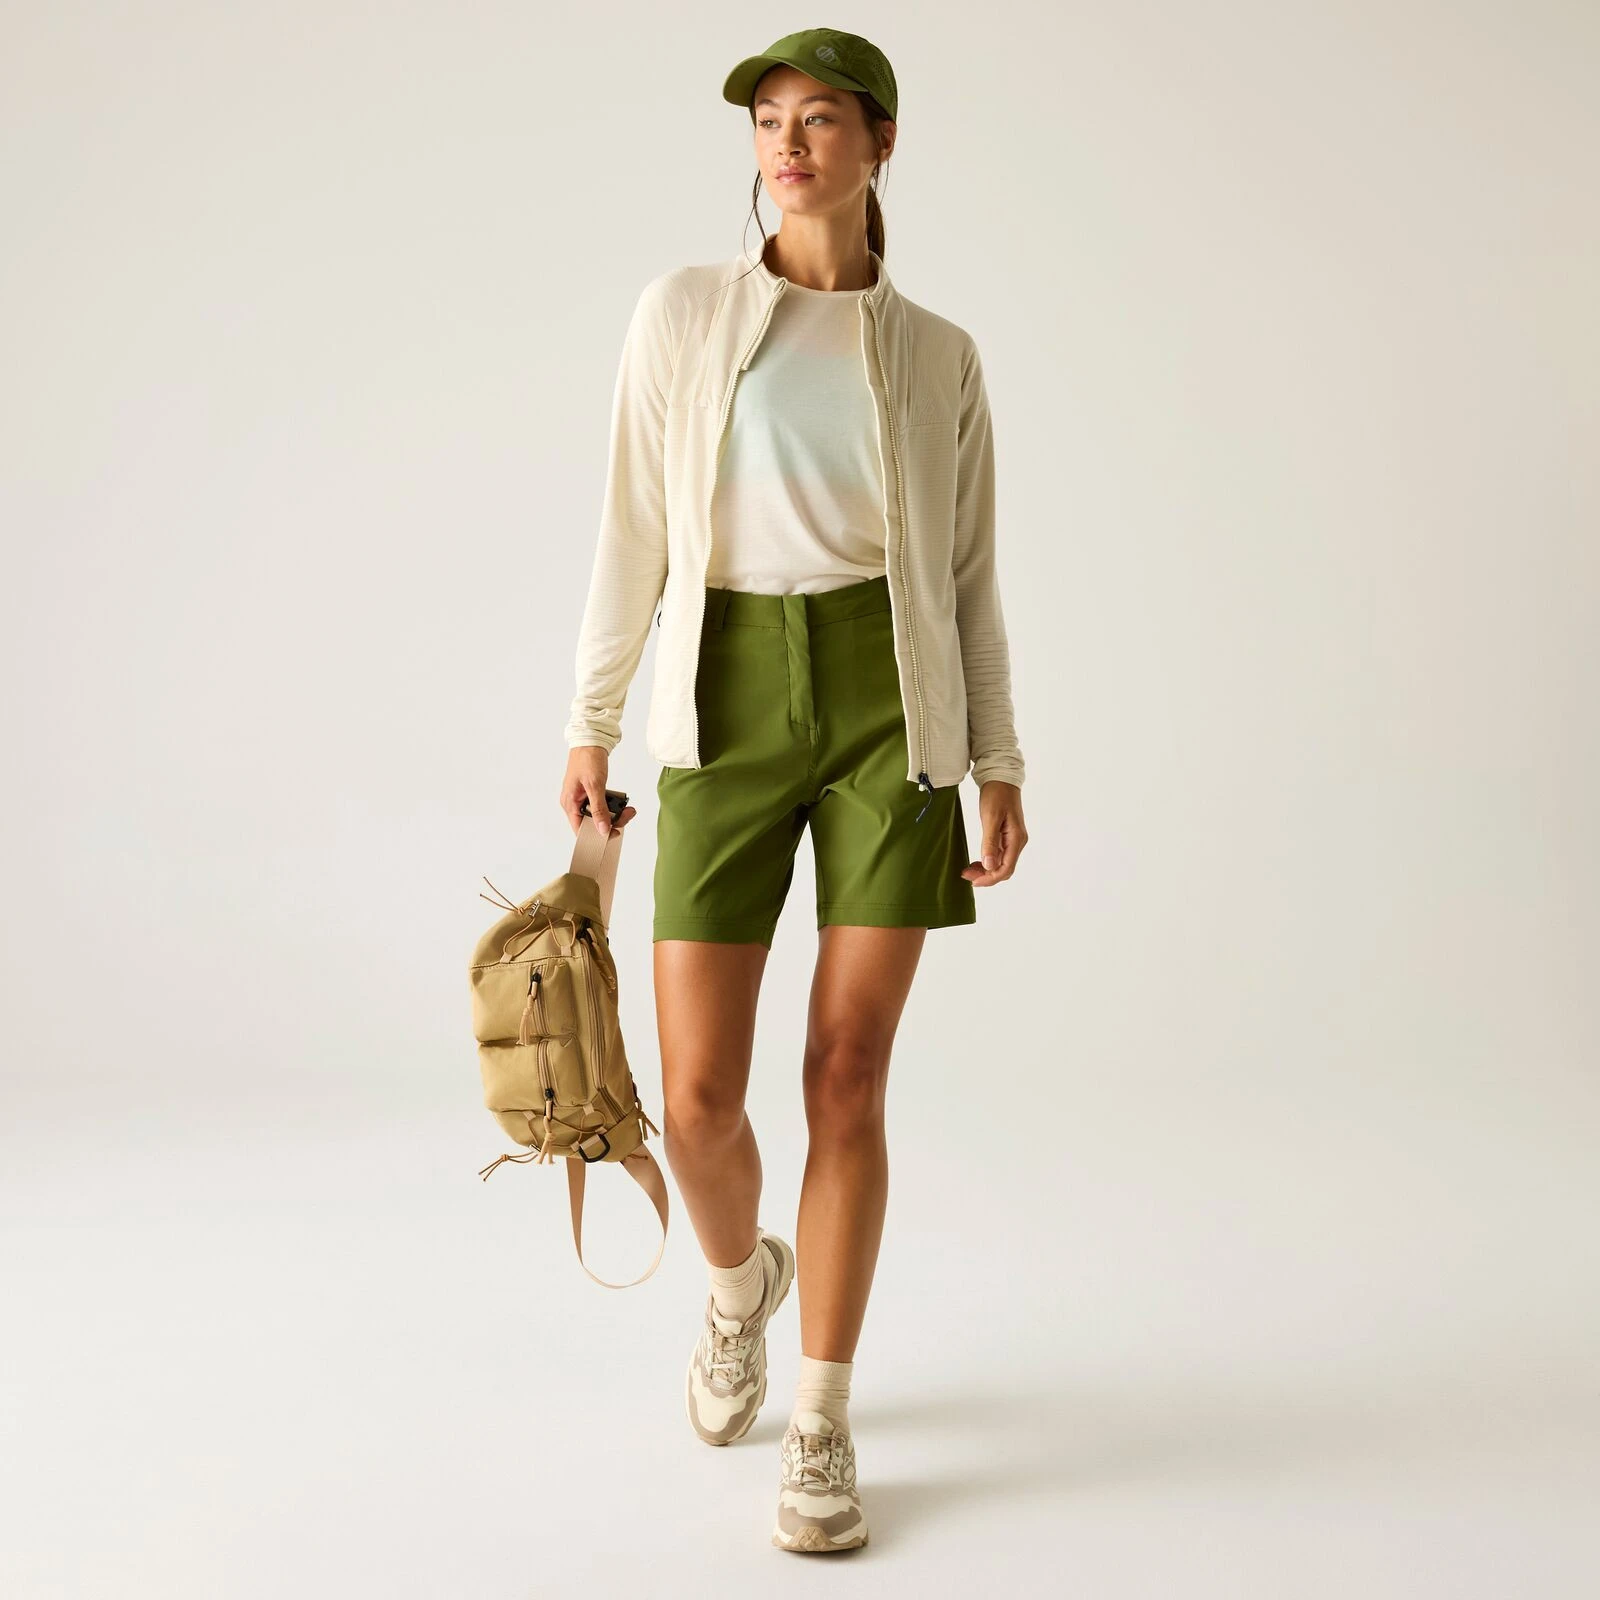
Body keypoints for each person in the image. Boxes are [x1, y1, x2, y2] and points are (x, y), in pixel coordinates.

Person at [559, 28, 1028, 1553]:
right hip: (723, 701)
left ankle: (821, 1417)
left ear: (881, 144)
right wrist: (591, 719)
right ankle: (737, 1287)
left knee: (845, 1075)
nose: (788, 144)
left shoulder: (939, 354)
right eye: (768, 120)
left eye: (820, 118)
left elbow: (967, 579)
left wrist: (999, 758)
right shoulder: (685, 313)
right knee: (695, 1101)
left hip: (894, 709)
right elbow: (632, 525)